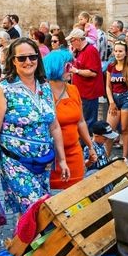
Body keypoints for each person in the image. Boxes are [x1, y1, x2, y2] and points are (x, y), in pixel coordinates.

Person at [0, 38, 69, 212]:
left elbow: (54, 126)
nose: (28, 62)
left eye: (32, 57)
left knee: (30, 216)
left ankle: (21, 239)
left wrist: (63, 160)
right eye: (22, 58)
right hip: (16, 164)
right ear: (13, 61)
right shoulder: (3, 91)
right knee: (37, 211)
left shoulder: (44, 86)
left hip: (43, 163)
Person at [44, 49, 96, 188]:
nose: (72, 69)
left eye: (71, 64)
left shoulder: (73, 90)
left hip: (75, 153)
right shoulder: (43, 93)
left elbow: (81, 121)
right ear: (56, 67)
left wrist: (91, 146)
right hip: (52, 158)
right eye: (67, 66)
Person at [104, 39, 128, 160]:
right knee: (109, 130)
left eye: (120, 51)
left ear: (126, 52)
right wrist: (111, 102)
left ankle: (125, 157)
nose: (118, 53)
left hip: (127, 98)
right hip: (114, 98)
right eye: (116, 51)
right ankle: (106, 158)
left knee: (125, 129)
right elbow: (108, 86)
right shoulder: (111, 66)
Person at [67, 28, 103, 125]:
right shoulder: (80, 51)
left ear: (78, 40)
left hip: (89, 93)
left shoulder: (90, 51)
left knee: (88, 122)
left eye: (72, 41)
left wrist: (77, 71)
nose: (71, 44)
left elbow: (93, 73)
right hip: (82, 92)